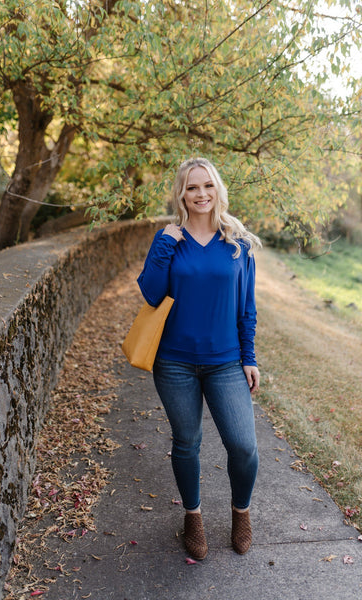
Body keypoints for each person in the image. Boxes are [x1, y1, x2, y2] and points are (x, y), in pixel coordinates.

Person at [137, 157, 262, 560]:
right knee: (187, 443)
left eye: (207, 186)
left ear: (218, 190)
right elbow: (151, 294)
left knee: (243, 447)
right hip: (173, 362)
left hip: (226, 362)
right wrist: (164, 246)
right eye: (192, 187)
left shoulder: (237, 245)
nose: (201, 194)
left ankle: (240, 512)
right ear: (182, 193)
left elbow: (247, 308)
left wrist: (249, 356)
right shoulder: (169, 239)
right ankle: (193, 516)